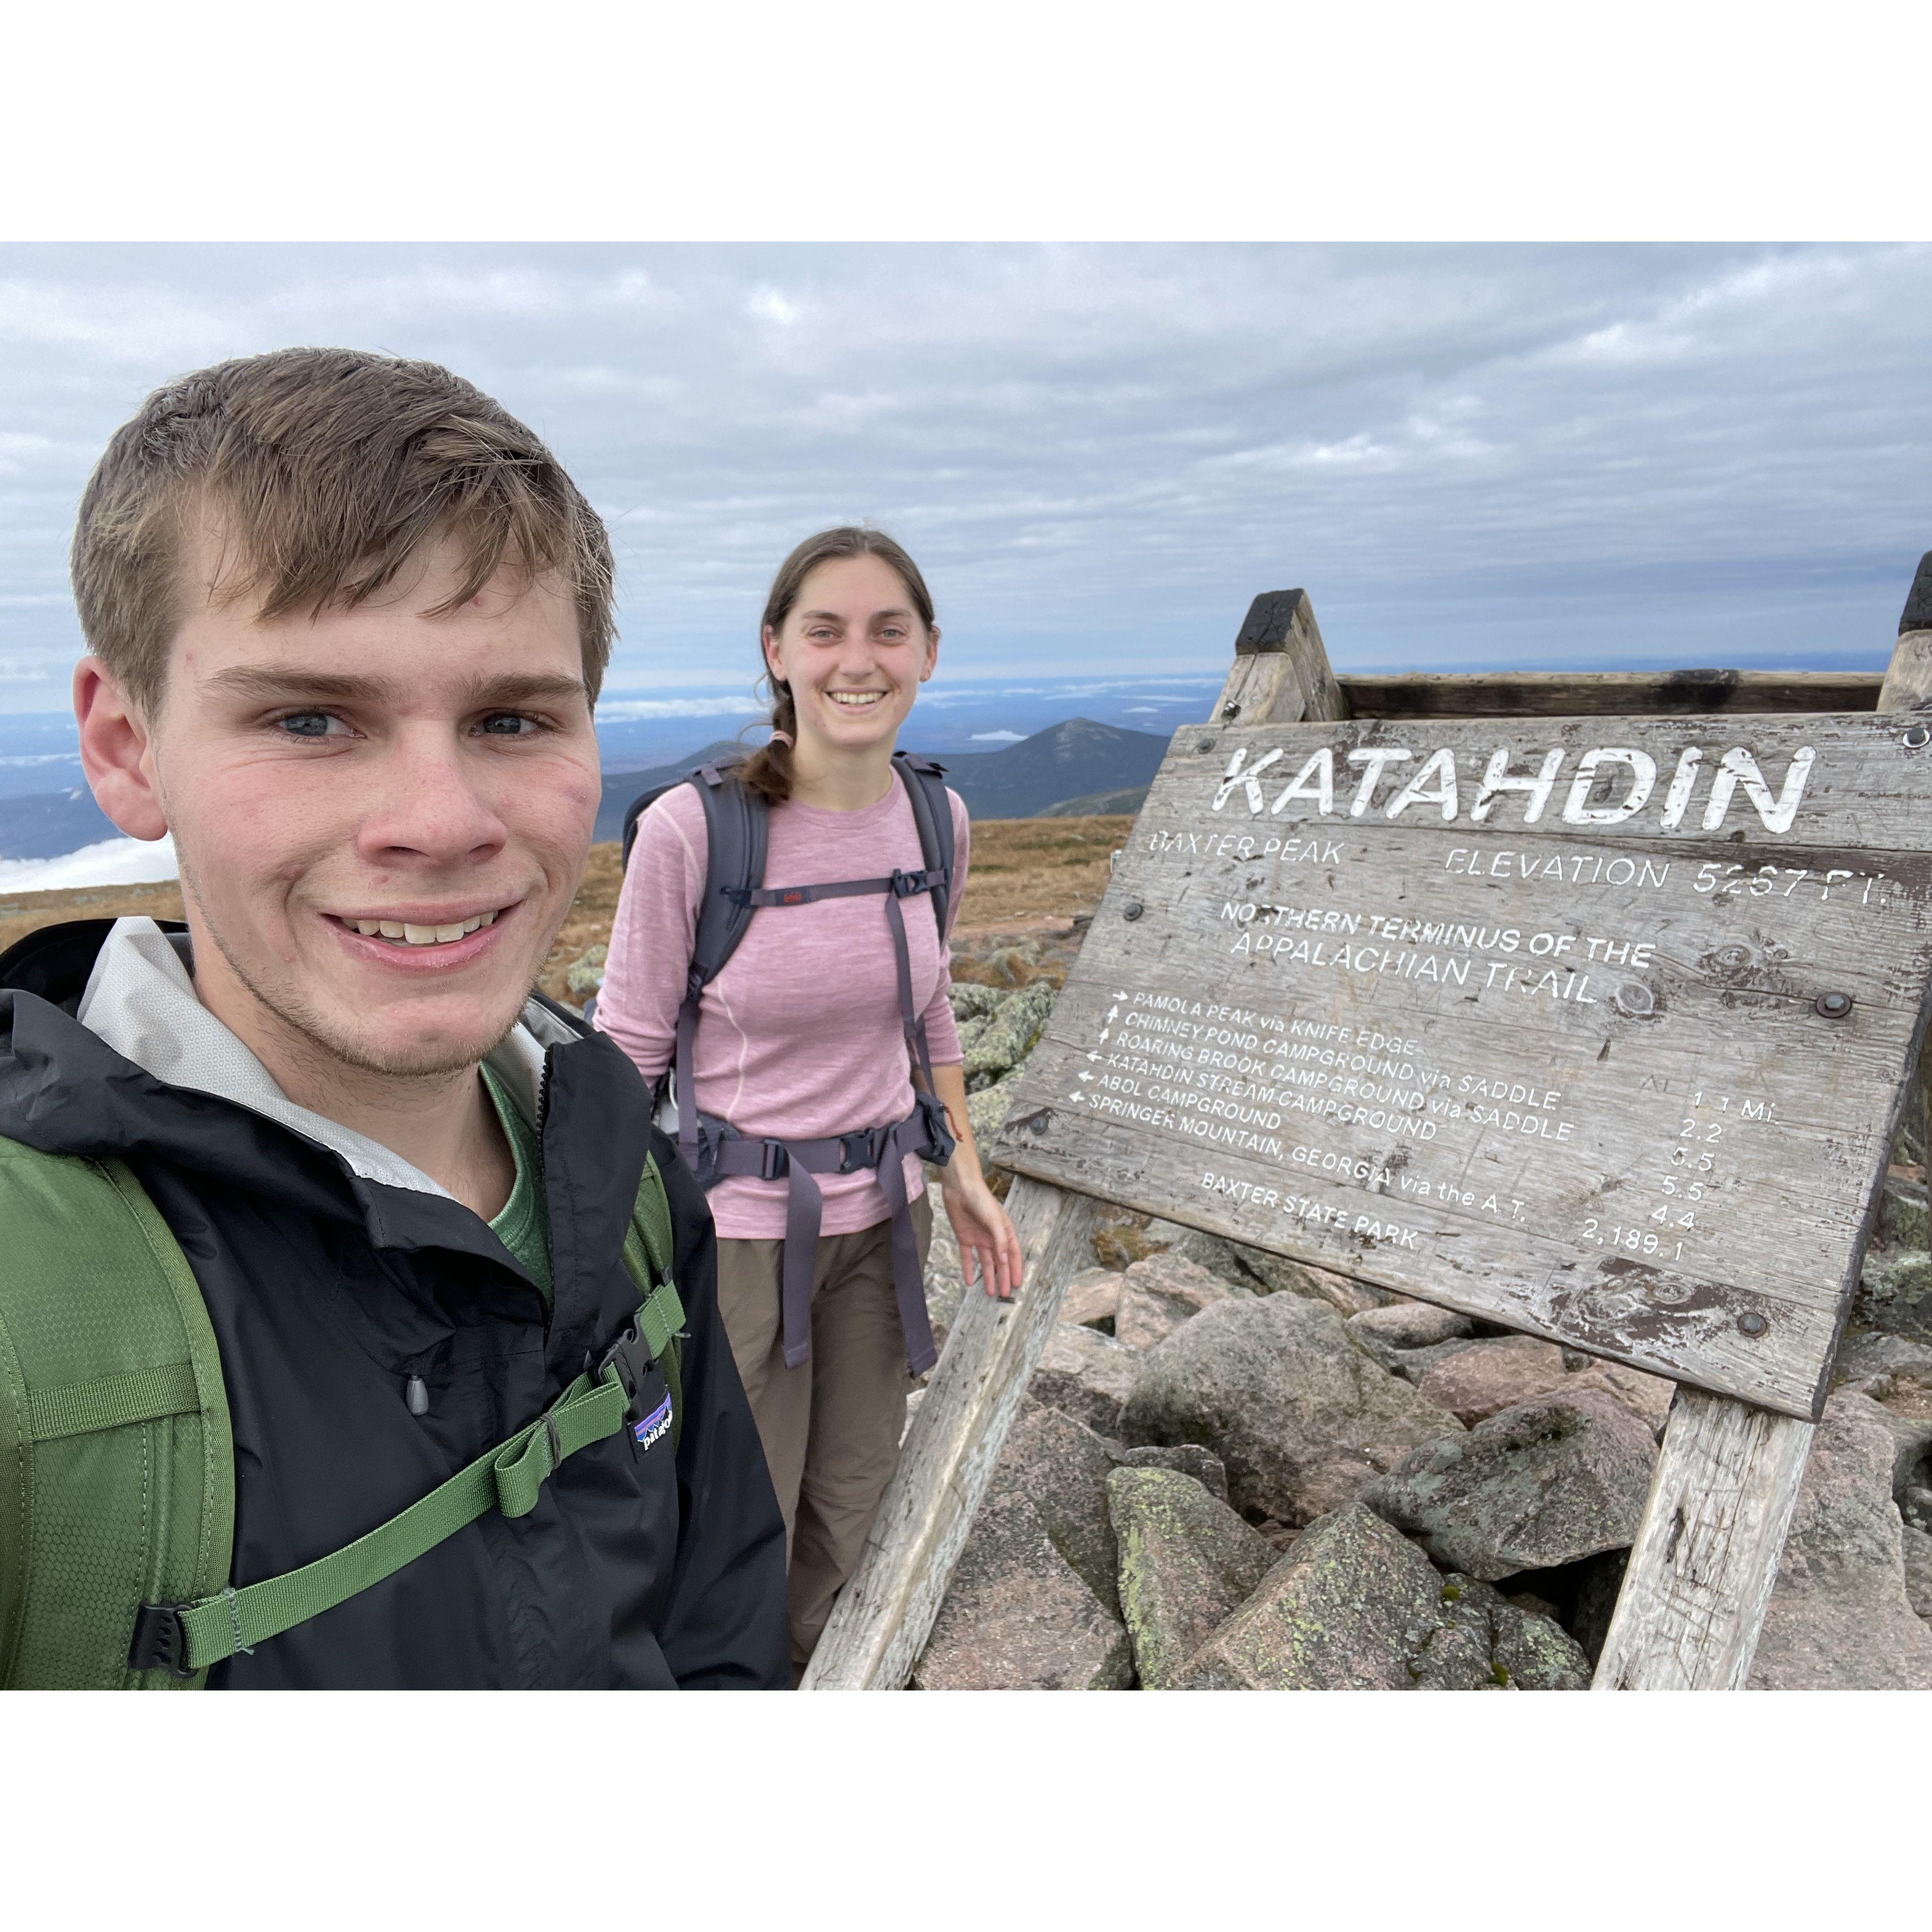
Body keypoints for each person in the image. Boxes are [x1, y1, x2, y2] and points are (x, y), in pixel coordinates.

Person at [0, 347, 790, 1689]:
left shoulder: (619, 1163)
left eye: (510, 717)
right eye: (310, 718)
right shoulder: (34, 1306)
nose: (441, 821)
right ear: (127, 746)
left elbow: (717, 1615)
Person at [596, 526, 1024, 1679]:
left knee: (853, 1506)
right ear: (777, 651)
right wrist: (586, 1251)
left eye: (889, 630)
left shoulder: (940, 824)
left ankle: (824, 1684)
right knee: (746, 1522)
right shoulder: (700, 830)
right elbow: (629, 1047)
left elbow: (925, 1009)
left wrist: (963, 1172)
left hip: (883, 1229)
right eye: (826, 630)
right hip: (736, 1240)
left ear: (930, 652)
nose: (858, 659)